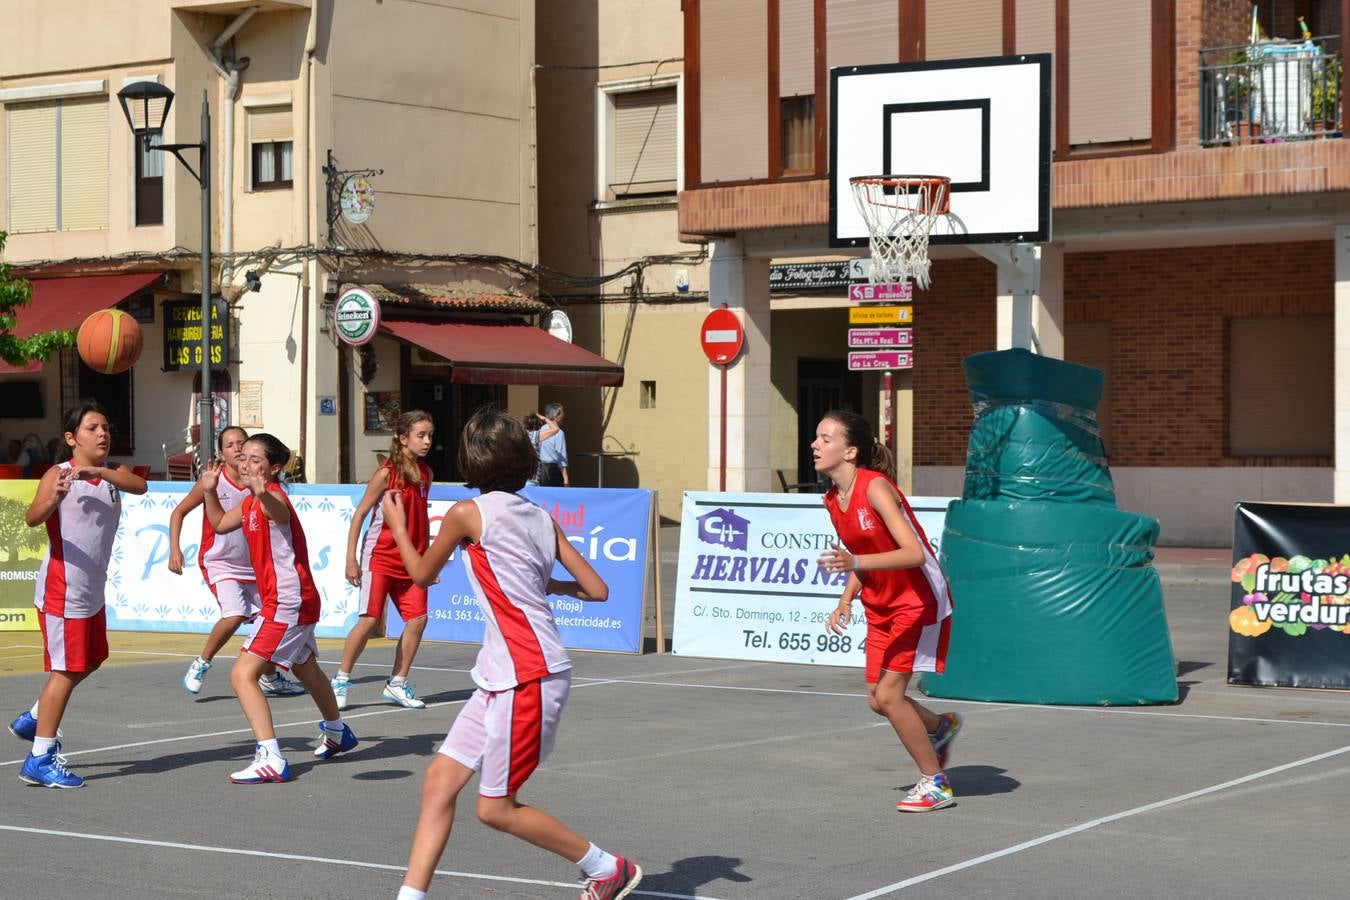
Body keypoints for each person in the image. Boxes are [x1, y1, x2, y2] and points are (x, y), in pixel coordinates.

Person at [381, 407, 641, 900]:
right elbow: (598, 589)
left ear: (472, 461)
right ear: (522, 460)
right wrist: (548, 584)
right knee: (440, 780)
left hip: (529, 673)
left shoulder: (466, 513)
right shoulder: (540, 516)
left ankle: (606, 867)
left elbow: (420, 574)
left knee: (495, 807)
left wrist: (396, 522)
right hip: (507, 672)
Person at [813, 410, 961, 813]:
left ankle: (935, 783)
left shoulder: (876, 487)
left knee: (891, 696)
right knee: (877, 701)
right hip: (879, 603)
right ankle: (939, 727)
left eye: (826, 439)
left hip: (916, 600)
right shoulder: (832, 498)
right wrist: (845, 600)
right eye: (817, 438)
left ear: (851, 451)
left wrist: (856, 565)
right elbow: (861, 555)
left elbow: (912, 553)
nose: (815, 445)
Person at [198, 433, 359, 783]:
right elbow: (219, 524)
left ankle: (271, 757)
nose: (245, 462)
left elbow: (280, 512)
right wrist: (209, 490)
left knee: (242, 675)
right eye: (244, 456)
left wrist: (260, 490)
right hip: (285, 600)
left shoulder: (273, 497)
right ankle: (337, 732)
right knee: (306, 669)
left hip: (288, 602)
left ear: (272, 469)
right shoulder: (249, 502)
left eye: (255, 459)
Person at [8, 399, 148, 788]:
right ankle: (39, 757)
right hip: (63, 590)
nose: (102, 433)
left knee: (94, 657)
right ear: (71, 438)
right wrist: (55, 496)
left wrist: (99, 471)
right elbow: (33, 516)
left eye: (105, 427)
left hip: (91, 590)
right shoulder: (58, 473)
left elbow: (141, 485)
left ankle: (36, 715)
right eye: (92, 428)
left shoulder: (113, 473)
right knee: (66, 670)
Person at [169, 425, 306, 697]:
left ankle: (269, 677)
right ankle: (202, 662)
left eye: (242, 446)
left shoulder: (263, 489)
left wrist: (262, 492)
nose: (238, 451)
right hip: (221, 562)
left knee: (263, 624)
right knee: (234, 614)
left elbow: (280, 514)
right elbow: (187, 514)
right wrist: (175, 548)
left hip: (254, 568)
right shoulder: (214, 481)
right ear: (222, 453)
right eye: (230, 446)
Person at [335, 410, 436, 710]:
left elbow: (423, 520)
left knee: (418, 619)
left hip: (411, 561)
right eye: (421, 435)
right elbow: (360, 514)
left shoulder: (426, 473)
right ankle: (341, 678)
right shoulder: (386, 474)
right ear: (403, 438)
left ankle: (397, 683)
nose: (427, 441)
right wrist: (351, 559)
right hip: (379, 557)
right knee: (369, 621)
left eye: (430, 435)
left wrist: (427, 559)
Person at [536, 402, 569, 487]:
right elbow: (561, 457)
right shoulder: (559, 433)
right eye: (562, 412)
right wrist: (565, 478)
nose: (564, 415)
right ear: (556, 416)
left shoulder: (541, 430)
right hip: (553, 470)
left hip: (540, 470)